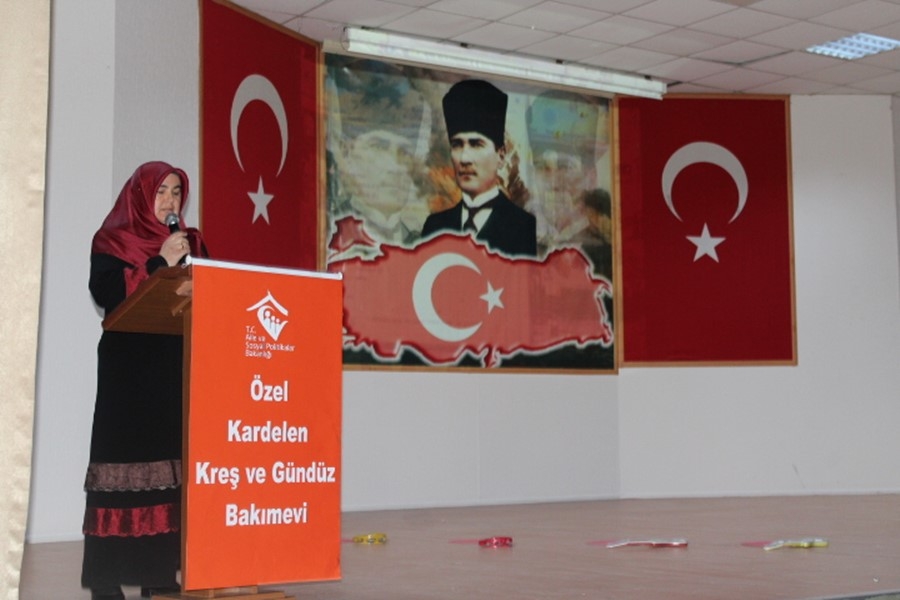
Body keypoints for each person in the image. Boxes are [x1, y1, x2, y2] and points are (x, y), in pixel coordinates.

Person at [82, 161, 205, 600]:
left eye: (176, 192)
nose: (170, 201)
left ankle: (158, 574)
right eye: (161, 192)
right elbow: (108, 295)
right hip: (128, 369)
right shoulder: (112, 240)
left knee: (168, 468)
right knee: (121, 469)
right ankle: (106, 579)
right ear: (140, 196)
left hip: (172, 364)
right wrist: (160, 262)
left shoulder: (193, 243)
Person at [421, 79, 537, 258]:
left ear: (500, 156)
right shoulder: (435, 227)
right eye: (457, 145)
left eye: (476, 144)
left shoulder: (522, 227)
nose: (464, 158)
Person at [327, 57, 434, 247]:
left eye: (405, 152)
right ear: (346, 153)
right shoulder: (328, 235)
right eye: (379, 146)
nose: (395, 166)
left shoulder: (424, 245)